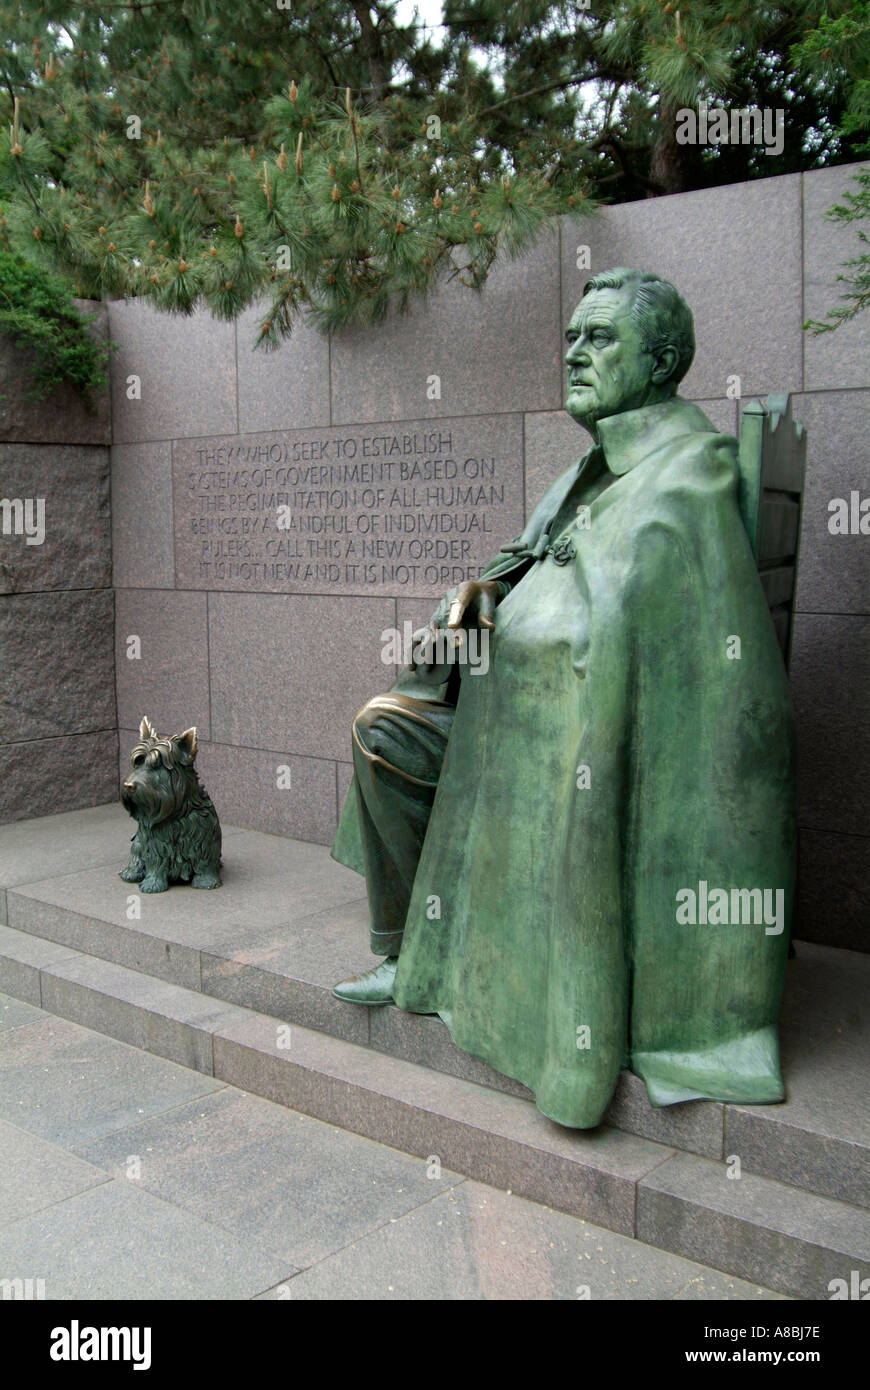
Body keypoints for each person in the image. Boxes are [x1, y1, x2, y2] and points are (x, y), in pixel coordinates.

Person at [330, 267, 795, 1129]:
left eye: (600, 339)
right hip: (502, 720)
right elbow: (529, 556)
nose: (576, 354)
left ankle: (527, 993)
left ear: (659, 362)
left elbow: (661, 644)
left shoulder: (685, 475)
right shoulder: (591, 468)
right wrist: (484, 592)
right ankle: (407, 954)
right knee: (385, 731)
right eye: (571, 338)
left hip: (581, 748)